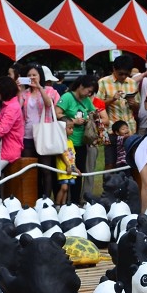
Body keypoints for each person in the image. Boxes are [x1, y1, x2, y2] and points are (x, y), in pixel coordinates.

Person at [18, 63, 62, 201]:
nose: (32, 78)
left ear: (40, 76)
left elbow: (49, 104)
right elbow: (18, 109)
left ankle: (46, 199)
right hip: (28, 135)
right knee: (29, 169)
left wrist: (39, 88)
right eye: (29, 75)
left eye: (34, 75)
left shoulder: (50, 90)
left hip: (45, 134)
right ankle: (31, 198)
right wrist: (19, 90)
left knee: (46, 169)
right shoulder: (24, 93)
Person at [56, 74, 98, 205]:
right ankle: (62, 203)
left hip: (81, 142)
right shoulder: (67, 97)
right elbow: (56, 114)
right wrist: (74, 121)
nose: (88, 94)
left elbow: (93, 111)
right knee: (65, 174)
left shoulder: (86, 100)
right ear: (80, 86)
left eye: (91, 92)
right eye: (88, 90)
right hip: (68, 143)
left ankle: (75, 201)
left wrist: (93, 116)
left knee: (79, 171)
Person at [97, 54, 140, 137]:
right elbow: (97, 106)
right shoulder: (103, 82)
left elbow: (137, 107)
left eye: (126, 74)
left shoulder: (133, 83)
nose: (123, 76)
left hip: (130, 128)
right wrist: (112, 99)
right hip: (112, 129)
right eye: (121, 74)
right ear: (114, 69)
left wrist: (133, 104)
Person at [55, 119, 80, 206]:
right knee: (64, 187)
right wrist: (67, 165)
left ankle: (63, 204)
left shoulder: (70, 142)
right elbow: (61, 154)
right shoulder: (60, 142)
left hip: (70, 169)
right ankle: (57, 204)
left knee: (67, 188)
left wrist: (75, 168)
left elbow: (72, 157)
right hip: (63, 169)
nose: (72, 130)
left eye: (72, 128)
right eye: (70, 128)